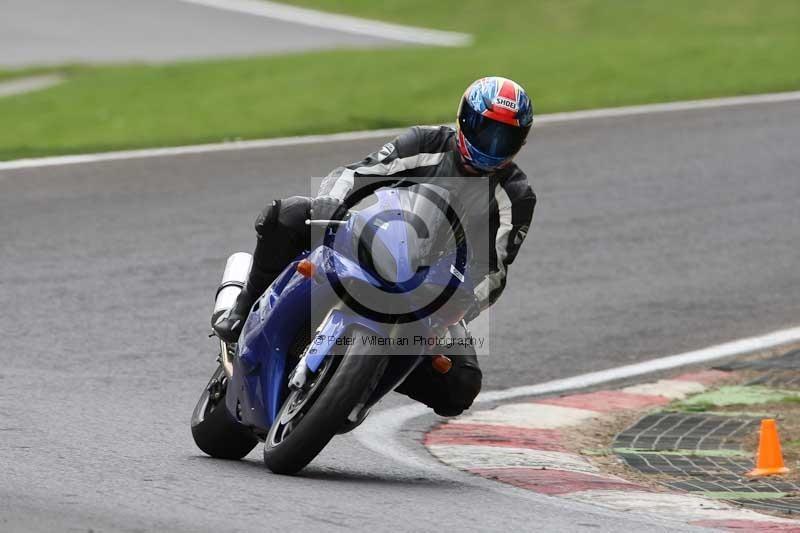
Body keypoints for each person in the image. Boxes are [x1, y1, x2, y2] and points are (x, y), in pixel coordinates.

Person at [214, 76, 536, 416]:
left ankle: (361, 379)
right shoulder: (425, 142)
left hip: (434, 291)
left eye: (505, 137)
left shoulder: (516, 197)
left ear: (520, 142)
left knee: (461, 386)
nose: (493, 144)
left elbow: (494, 271)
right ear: (465, 121)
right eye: (487, 130)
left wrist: (462, 308)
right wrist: (330, 202)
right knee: (288, 214)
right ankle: (243, 308)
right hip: (368, 240)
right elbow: (355, 174)